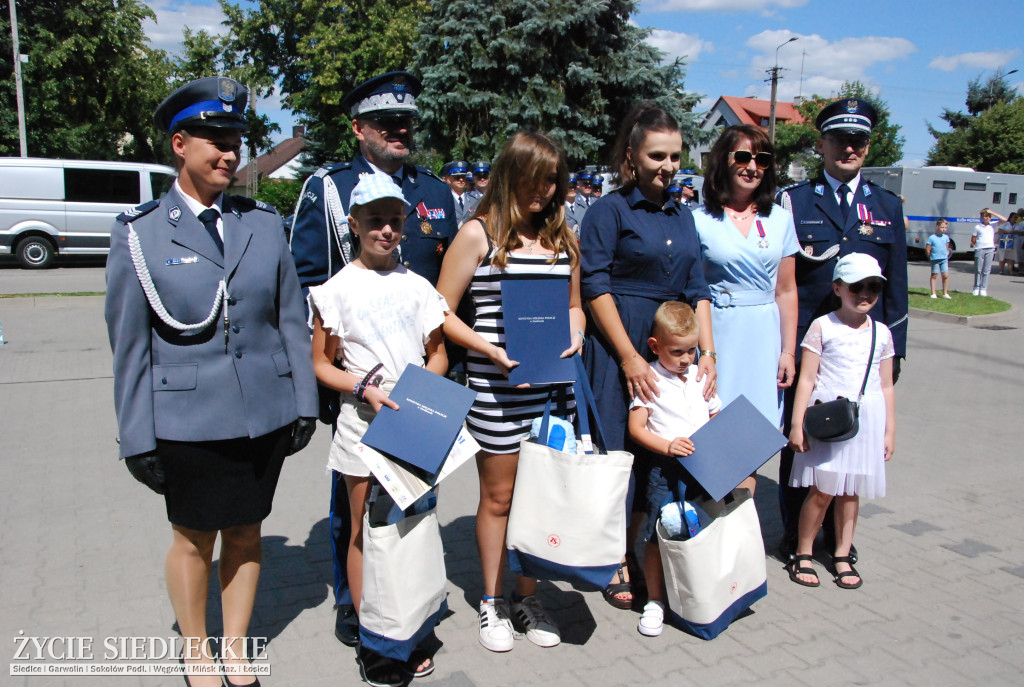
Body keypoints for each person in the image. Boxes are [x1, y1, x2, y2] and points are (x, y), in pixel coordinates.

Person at [105, 76, 318, 687]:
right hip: (187, 420)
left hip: (264, 414)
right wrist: (134, 437)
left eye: (235, 139)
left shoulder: (263, 223)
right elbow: (129, 346)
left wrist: (302, 401)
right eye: (215, 139)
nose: (229, 152)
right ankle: (196, 650)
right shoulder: (139, 233)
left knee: (247, 534)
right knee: (195, 539)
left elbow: (289, 319)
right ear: (180, 143)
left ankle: (235, 646)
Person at [288, 71, 457, 647]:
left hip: (423, 379)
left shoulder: (435, 193)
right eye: (387, 123)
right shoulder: (330, 189)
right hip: (359, 383)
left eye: (407, 122)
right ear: (360, 129)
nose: (401, 131)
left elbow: (445, 290)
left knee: (413, 502)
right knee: (354, 506)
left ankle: (409, 599)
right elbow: (308, 284)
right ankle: (352, 603)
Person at [435, 131, 584, 653]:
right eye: (533, 177)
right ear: (509, 174)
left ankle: (528, 597)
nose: (543, 189)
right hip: (497, 392)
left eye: (552, 179)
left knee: (539, 499)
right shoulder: (479, 234)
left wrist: (578, 330)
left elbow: (574, 305)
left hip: (550, 394)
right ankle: (493, 603)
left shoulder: (564, 238)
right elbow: (440, 310)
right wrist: (489, 349)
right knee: (499, 499)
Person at [308, 173, 447, 686]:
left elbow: (439, 353)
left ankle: (410, 623)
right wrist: (363, 389)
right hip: (361, 421)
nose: (385, 231)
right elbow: (321, 364)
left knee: (409, 526)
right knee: (364, 525)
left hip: (410, 422)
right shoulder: (336, 289)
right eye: (374, 221)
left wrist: (417, 397)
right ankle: (375, 638)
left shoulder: (418, 287)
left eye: (393, 221)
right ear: (354, 224)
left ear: (404, 224)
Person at [580, 101, 716, 610]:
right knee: (617, 453)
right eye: (657, 155)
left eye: (676, 156)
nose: (668, 166)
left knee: (657, 450)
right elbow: (594, 286)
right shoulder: (607, 211)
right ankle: (613, 555)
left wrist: (707, 352)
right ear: (631, 156)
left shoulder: (684, 216)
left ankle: (637, 546)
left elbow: (698, 287)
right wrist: (629, 358)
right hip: (620, 347)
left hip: (672, 353)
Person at [775, 97, 907, 559]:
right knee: (805, 442)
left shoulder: (887, 206)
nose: (849, 148)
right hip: (812, 349)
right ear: (822, 144)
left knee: (855, 445)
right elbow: (785, 282)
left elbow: (897, 290)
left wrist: (895, 356)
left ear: (867, 148)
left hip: (865, 352)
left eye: (858, 141)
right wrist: (785, 350)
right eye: (840, 140)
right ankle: (798, 539)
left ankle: (839, 544)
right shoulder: (794, 202)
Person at [693, 124, 799, 497]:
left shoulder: (780, 219)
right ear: (723, 159)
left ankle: (739, 530)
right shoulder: (698, 219)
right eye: (743, 156)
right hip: (717, 333)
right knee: (711, 430)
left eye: (762, 159)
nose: (752, 166)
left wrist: (788, 350)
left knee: (751, 440)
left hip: (763, 338)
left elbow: (786, 289)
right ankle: (708, 527)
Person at [786, 253, 896, 590]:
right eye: (856, 287)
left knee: (852, 493)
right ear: (837, 288)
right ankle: (803, 551)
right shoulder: (823, 326)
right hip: (831, 419)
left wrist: (890, 430)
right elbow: (806, 379)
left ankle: (842, 553)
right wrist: (795, 423)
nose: (865, 294)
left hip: (868, 420)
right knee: (823, 490)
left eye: (873, 288)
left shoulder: (882, 332)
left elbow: (887, 384)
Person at [626, 301, 722, 637]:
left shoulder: (701, 375)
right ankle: (655, 600)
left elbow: (715, 416)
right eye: (676, 351)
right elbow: (636, 428)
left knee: (699, 531)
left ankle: (696, 592)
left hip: (701, 472)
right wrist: (666, 446)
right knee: (657, 537)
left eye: (692, 350)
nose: (685, 359)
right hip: (664, 474)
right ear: (655, 346)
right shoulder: (650, 378)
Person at [971, 208, 1004, 295]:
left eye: (989, 216)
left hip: (990, 249)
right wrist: (973, 243)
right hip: (980, 249)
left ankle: (983, 288)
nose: (987, 218)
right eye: (985, 216)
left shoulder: (993, 225)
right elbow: (973, 238)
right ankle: (976, 287)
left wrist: (992, 212)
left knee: (986, 270)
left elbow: (1004, 220)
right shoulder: (978, 227)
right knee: (978, 269)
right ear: (982, 217)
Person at [443, 160, 478, 227]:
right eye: (457, 177)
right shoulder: (444, 201)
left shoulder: (474, 200)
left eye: (463, 177)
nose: (461, 180)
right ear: (448, 179)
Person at [925, 219, 952, 298]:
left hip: (944, 259)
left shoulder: (946, 237)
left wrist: (945, 254)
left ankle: (945, 293)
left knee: (945, 275)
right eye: (942, 227)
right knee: (934, 275)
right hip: (935, 259)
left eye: (945, 227)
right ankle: (933, 293)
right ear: (937, 227)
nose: (944, 229)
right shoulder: (932, 238)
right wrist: (929, 256)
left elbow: (946, 247)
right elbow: (927, 248)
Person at [995, 211, 1018, 276]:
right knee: (1002, 257)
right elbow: (1000, 231)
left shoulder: (1018, 225)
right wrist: (1009, 232)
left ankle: (1011, 271)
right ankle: (1001, 270)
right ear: (1010, 217)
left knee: (1011, 257)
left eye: (1017, 218)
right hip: (1003, 242)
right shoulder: (1005, 224)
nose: (1016, 219)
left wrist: (1016, 232)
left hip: (1013, 243)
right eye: (1015, 217)